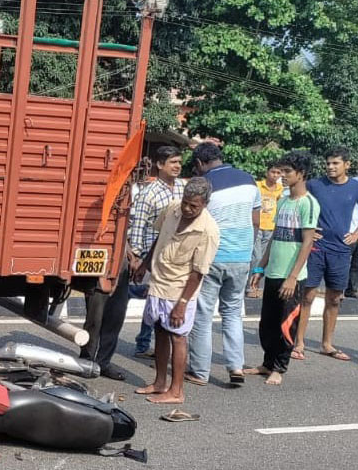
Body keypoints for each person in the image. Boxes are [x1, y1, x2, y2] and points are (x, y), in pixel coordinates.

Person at [81, 147, 186, 377]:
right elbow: (136, 227)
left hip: (167, 261)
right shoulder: (148, 193)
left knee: (122, 314)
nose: (177, 166)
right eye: (173, 162)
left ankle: (104, 361)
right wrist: (136, 259)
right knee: (101, 311)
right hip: (136, 258)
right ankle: (87, 360)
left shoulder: (182, 189)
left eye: (179, 162)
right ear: (159, 165)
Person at [133, 178, 219, 404]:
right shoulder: (172, 209)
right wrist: (145, 264)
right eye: (186, 203)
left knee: (177, 336)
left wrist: (182, 304)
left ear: (205, 204)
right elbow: (159, 239)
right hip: (159, 282)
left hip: (181, 289)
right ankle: (160, 382)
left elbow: (198, 272)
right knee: (160, 330)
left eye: (194, 206)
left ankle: (177, 391)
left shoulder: (208, 230)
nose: (188, 209)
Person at [186, 142, 261, 386]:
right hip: (241, 257)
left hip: (213, 257)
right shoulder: (249, 180)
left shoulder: (205, 185)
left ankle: (199, 371)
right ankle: (236, 367)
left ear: (199, 163)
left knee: (203, 314)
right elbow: (256, 221)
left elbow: (194, 223)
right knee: (232, 313)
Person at [246, 151, 317, 386]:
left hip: (292, 277)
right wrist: (259, 268)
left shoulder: (308, 203)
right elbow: (276, 235)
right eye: (281, 171)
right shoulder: (284, 200)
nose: (282, 176)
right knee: (267, 323)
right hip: (273, 272)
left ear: (301, 173)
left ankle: (279, 367)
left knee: (286, 325)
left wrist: (292, 277)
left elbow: (307, 242)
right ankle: (267, 363)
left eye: (287, 172)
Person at [291, 147, 358, 362]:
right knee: (307, 295)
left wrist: (357, 234)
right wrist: (306, 229)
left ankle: (327, 344)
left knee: (334, 299)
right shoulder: (315, 185)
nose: (330, 167)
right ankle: (298, 342)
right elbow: (295, 203)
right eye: (328, 163)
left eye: (335, 163)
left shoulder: (355, 187)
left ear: (347, 165)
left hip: (340, 250)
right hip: (316, 248)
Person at [246, 162, 284, 298]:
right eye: (273, 172)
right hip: (257, 225)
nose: (275, 175)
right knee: (256, 257)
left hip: (271, 226)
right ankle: (250, 287)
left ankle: (256, 285)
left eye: (278, 173)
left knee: (263, 258)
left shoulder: (280, 189)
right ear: (267, 172)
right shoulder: (257, 186)